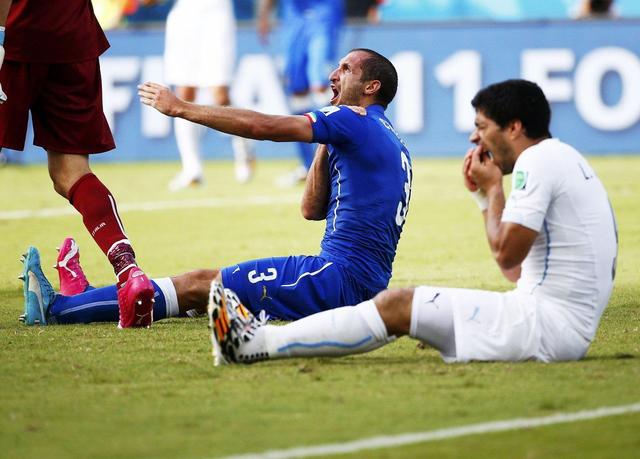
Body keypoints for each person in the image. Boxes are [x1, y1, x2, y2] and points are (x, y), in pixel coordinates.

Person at [208, 79, 618, 366]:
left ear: (513, 128)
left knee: (396, 305)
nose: (476, 141)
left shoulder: (536, 161)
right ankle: (255, 341)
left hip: (542, 326)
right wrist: (482, 195)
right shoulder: (564, 158)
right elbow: (513, 269)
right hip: (553, 324)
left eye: (481, 128)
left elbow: (505, 251)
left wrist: (495, 191)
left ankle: (256, 343)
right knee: (400, 308)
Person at [20, 49, 413, 329]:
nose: (333, 74)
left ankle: (57, 309)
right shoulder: (390, 140)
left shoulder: (353, 121)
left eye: (345, 69)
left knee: (196, 286)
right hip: (358, 284)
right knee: (204, 294)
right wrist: (327, 138)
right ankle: (85, 298)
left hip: (334, 280)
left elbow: (264, 127)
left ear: (370, 86)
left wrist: (182, 109)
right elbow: (311, 209)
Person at [1, 0, 154, 328]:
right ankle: (127, 268)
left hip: (15, 36)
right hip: (73, 36)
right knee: (71, 172)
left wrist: (0, 35)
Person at [160, 0, 256, 190]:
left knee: (220, 94)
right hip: (184, 15)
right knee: (184, 93)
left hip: (216, 13)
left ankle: (244, 151)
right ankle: (191, 168)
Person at [258, 0, 345, 186]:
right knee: (297, 91)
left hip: (324, 12)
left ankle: (336, 163)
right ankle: (309, 166)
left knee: (320, 82)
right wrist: (264, 15)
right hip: (294, 17)